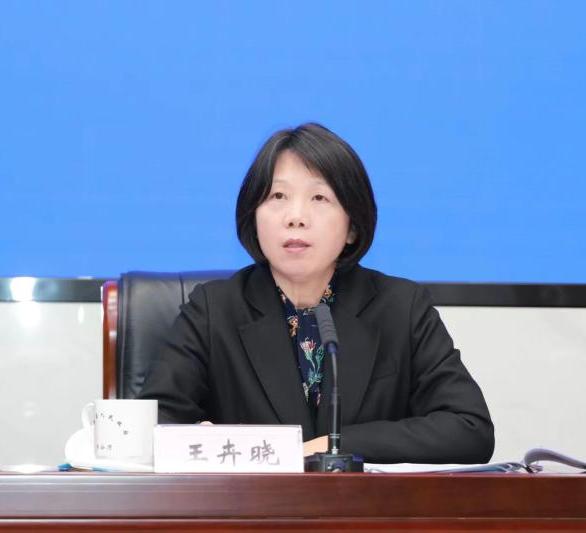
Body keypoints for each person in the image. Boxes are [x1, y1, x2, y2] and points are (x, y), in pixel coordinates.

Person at [139, 123, 494, 464]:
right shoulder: (214, 310)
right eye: (277, 196)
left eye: (319, 197)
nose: (295, 217)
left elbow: (469, 429)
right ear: (254, 218)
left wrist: (334, 445)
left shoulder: (402, 308)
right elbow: (152, 427)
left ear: (352, 226)